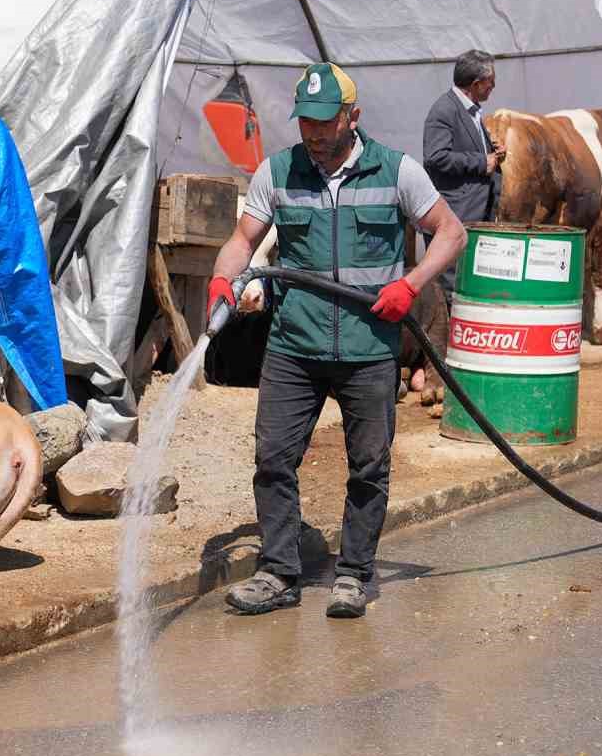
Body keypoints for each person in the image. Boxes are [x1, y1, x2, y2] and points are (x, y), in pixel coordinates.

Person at [205, 63, 467, 619]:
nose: (316, 134)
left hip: (369, 347)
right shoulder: (277, 172)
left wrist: (411, 284)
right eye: (307, 122)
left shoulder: (397, 172)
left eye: (327, 122)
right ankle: (278, 573)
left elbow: (452, 232)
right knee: (273, 459)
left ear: (353, 117)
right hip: (293, 345)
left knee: (368, 465)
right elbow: (242, 239)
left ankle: (353, 574)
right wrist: (224, 279)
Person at [421, 49, 505, 292]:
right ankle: (446, 330)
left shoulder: (472, 110)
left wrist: (492, 150)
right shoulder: (444, 110)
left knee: (469, 285)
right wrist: (481, 161)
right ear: (476, 83)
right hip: (454, 213)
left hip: (474, 213)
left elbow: (464, 147)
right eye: (491, 81)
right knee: (451, 287)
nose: (494, 86)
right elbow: (436, 157)